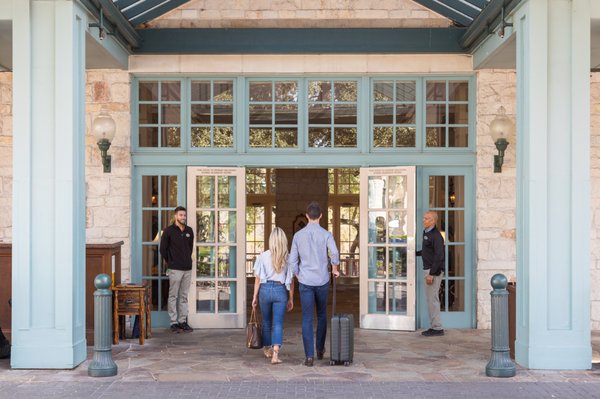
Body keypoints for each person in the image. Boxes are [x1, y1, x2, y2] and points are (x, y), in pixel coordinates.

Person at [288, 202, 340, 367]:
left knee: (307, 318)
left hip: (305, 281)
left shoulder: (298, 236)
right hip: (322, 279)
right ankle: (319, 350)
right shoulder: (326, 234)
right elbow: (335, 252)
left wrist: (297, 274)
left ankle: (309, 356)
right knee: (322, 315)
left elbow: (292, 261)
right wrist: (335, 268)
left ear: (306, 215)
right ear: (321, 216)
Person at [251, 227, 294, 364]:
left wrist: (254, 297)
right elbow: (291, 281)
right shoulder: (287, 258)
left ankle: (267, 349)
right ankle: (275, 354)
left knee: (266, 322)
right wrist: (291, 298)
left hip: (264, 289)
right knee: (278, 324)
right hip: (280, 290)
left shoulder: (263, 256)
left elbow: (257, 279)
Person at [160, 206, 194, 333]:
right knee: (173, 295)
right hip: (175, 268)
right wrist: (171, 261)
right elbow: (162, 250)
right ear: (175, 216)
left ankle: (182, 321)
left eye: (184, 215)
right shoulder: (168, 231)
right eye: (180, 215)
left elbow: (189, 248)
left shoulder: (189, 231)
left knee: (184, 296)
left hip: (187, 268)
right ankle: (173, 322)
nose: (183, 217)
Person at [416, 210, 445, 337]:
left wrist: (431, 274)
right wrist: (416, 253)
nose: (424, 220)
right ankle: (435, 326)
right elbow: (428, 251)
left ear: (433, 221)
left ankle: (437, 328)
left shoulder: (436, 236)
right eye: (424, 218)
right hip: (428, 269)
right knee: (430, 299)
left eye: (426, 218)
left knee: (432, 300)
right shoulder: (426, 232)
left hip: (433, 271)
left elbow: (439, 256)